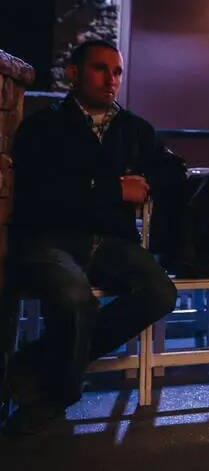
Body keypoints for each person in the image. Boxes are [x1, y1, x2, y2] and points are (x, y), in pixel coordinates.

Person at [5, 39, 178, 435]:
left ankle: (31, 367)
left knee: (161, 293)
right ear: (74, 73)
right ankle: (56, 398)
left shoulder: (133, 129)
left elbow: (172, 171)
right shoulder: (44, 125)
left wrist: (147, 181)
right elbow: (41, 193)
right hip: (50, 239)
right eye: (101, 69)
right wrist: (113, 190)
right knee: (74, 300)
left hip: (111, 242)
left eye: (117, 72)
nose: (111, 80)